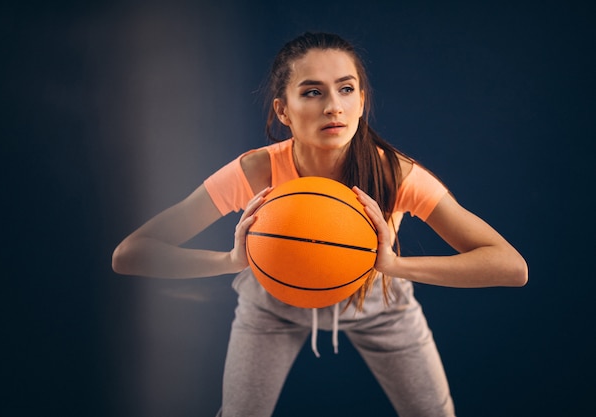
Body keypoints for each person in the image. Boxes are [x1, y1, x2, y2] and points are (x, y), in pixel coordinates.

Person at [112, 32, 528, 417]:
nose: (333, 106)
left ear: (362, 101)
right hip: (272, 306)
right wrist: (231, 259)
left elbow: (510, 266)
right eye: (312, 92)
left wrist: (393, 266)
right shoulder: (257, 170)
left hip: (380, 304)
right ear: (283, 110)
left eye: (346, 89)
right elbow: (129, 254)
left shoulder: (394, 175)